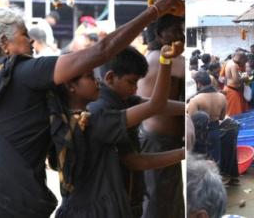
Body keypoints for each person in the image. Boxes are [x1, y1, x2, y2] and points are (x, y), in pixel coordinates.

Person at [0, 0, 184, 217]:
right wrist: (155, 11)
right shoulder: (21, 71)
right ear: (4, 43)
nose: (31, 39)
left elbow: (152, 104)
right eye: (23, 34)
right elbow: (101, 51)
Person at [53, 43, 185, 218]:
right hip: (97, 209)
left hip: (106, 203)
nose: (96, 80)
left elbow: (159, 106)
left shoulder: (110, 104)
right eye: (89, 76)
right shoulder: (98, 114)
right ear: (71, 86)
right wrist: (165, 62)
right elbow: (156, 105)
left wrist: (192, 108)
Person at [137, 13, 186, 218]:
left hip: (162, 140)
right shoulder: (160, 58)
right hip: (158, 140)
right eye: (175, 31)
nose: (181, 36)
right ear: (160, 35)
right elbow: (156, 105)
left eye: (181, 30)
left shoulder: (160, 58)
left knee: (166, 199)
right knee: (159, 201)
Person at [187, 71, 239, 185]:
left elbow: (190, 121)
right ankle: (216, 185)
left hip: (200, 135)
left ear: (198, 83)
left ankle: (204, 187)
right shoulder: (221, 97)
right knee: (215, 161)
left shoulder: (195, 100)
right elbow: (221, 117)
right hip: (215, 131)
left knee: (201, 162)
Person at [223, 51, 248, 116]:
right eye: (244, 61)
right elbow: (236, 80)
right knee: (234, 115)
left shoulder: (230, 62)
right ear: (241, 58)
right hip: (232, 91)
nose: (244, 64)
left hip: (232, 90)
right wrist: (245, 78)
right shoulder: (233, 65)